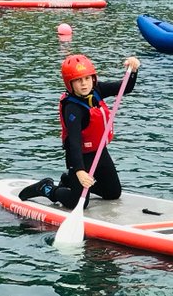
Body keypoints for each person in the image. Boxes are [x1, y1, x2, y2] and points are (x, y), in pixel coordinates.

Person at [18, 53, 140, 208]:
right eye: (78, 80)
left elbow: (125, 87)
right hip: (79, 157)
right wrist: (80, 171)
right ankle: (47, 188)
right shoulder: (72, 109)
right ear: (70, 83)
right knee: (79, 203)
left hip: (99, 151)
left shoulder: (97, 90)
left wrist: (133, 70)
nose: (84, 84)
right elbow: (74, 144)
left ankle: (68, 181)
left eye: (87, 79)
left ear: (93, 79)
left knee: (113, 193)